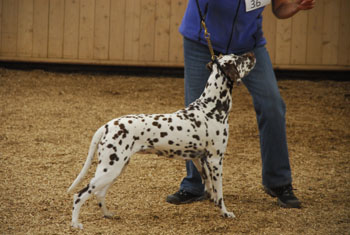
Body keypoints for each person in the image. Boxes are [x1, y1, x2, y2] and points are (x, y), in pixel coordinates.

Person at [166, 0, 315, 208]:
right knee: (196, 115)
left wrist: (295, 7)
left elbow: (279, 7)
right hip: (202, 39)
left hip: (248, 46)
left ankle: (278, 182)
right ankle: (195, 184)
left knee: (272, 105)